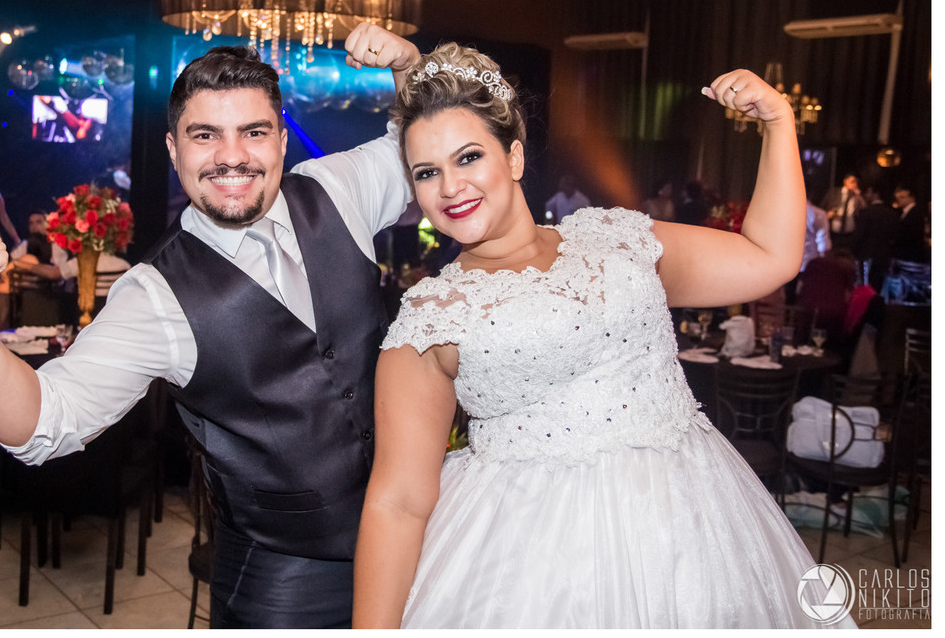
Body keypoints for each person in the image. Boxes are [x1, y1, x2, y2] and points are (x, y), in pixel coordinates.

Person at [0, 23, 419, 628]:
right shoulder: (153, 293)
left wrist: (409, 63)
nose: (232, 156)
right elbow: (39, 425)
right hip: (286, 577)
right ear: (174, 151)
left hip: (414, 538)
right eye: (205, 135)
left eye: (253, 132)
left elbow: (416, 143)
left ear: (279, 140)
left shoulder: (335, 187)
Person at [352, 45, 848, 628]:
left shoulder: (618, 240)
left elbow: (769, 256)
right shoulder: (431, 315)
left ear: (513, 156)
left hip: (692, 527)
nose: (451, 186)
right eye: (427, 172)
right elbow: (399, 503)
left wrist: (777, 124)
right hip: (531, 563)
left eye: (468, 157)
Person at [821, 173, 864, 251]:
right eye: (852, 182)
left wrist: (858, 195)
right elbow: (823, 207)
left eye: (856, 182)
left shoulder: (856, 197)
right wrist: (827, 214)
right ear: (845, 181)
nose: (854, 184)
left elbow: (864, 208)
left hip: (849, 232)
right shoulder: (834, 193)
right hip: (834, 230)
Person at [891, 184, 929, 263]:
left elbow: (911, 234)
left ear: (910, 196)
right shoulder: (907, 212)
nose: (899, 200)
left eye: (902, 197)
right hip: (908, 255)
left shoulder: (915, 213)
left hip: (911, 256)